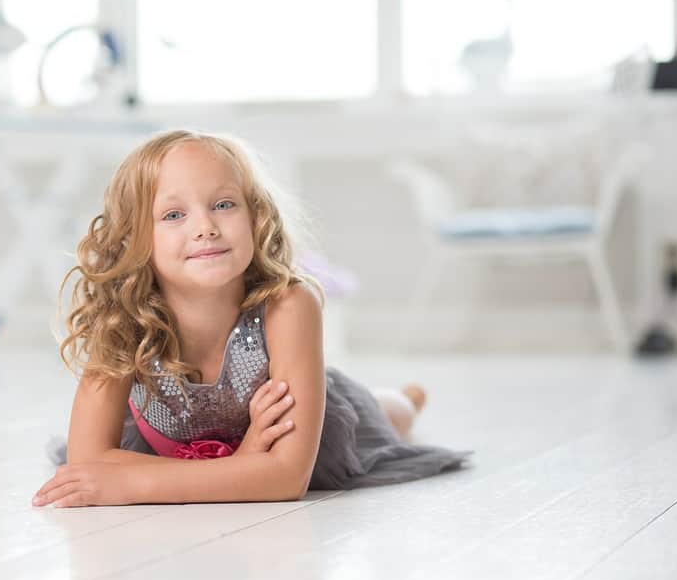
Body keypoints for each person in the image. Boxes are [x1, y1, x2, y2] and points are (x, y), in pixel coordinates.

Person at [33, 129, 473, 508]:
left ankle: (404, 399)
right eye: (173, 215)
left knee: (382, 416)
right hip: (182, 442)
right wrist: (243, 466)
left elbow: (285, 478)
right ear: (136, 240)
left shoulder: (290, 304)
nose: (204, 226)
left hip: (309, 431)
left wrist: (137, 482)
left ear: (255, 214)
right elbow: (87, 461)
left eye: (224, 205)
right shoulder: (123, 320)